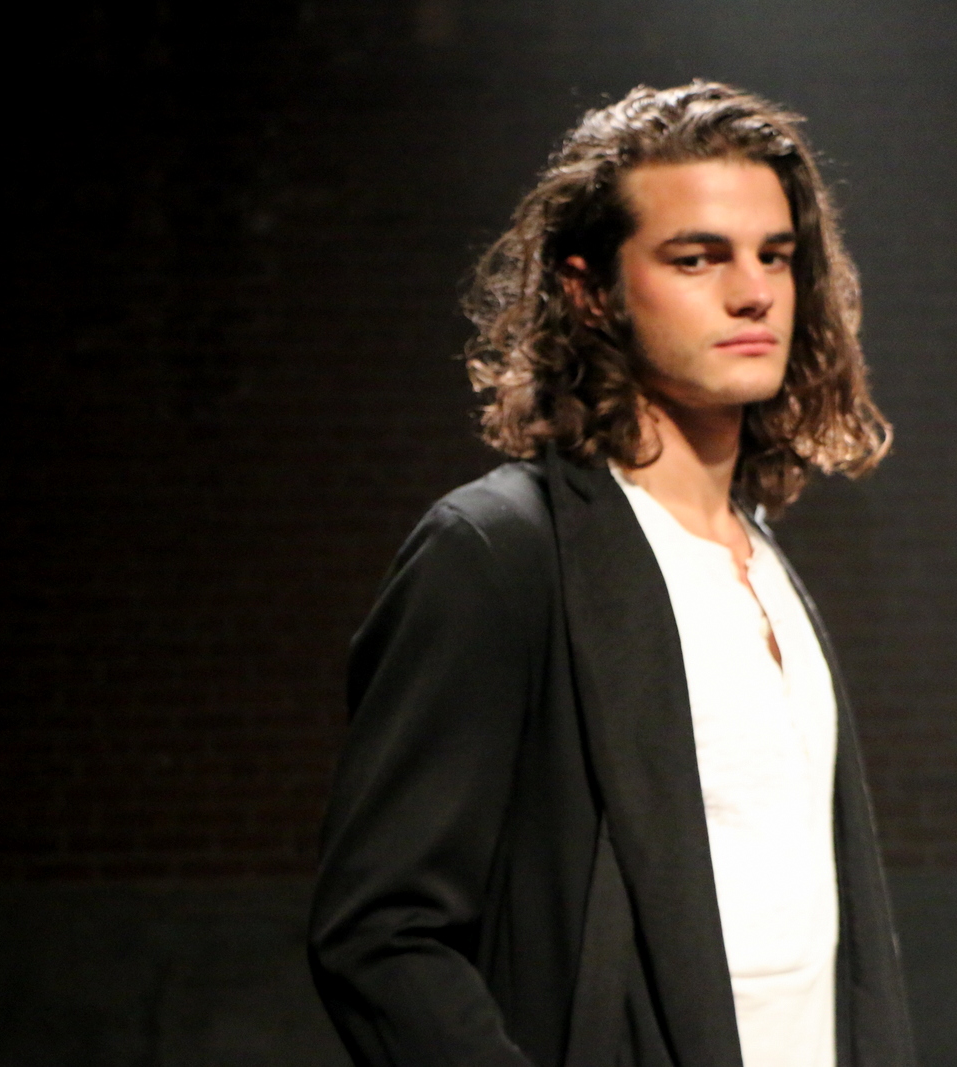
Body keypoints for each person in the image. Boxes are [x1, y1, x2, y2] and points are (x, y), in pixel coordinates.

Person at [309, 81, 915, 1067]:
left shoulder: (765, 560)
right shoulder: (498, 553)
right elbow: (379, 934)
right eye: (696, 257)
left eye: (774, 254)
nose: (753, 291)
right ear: (590, 289)